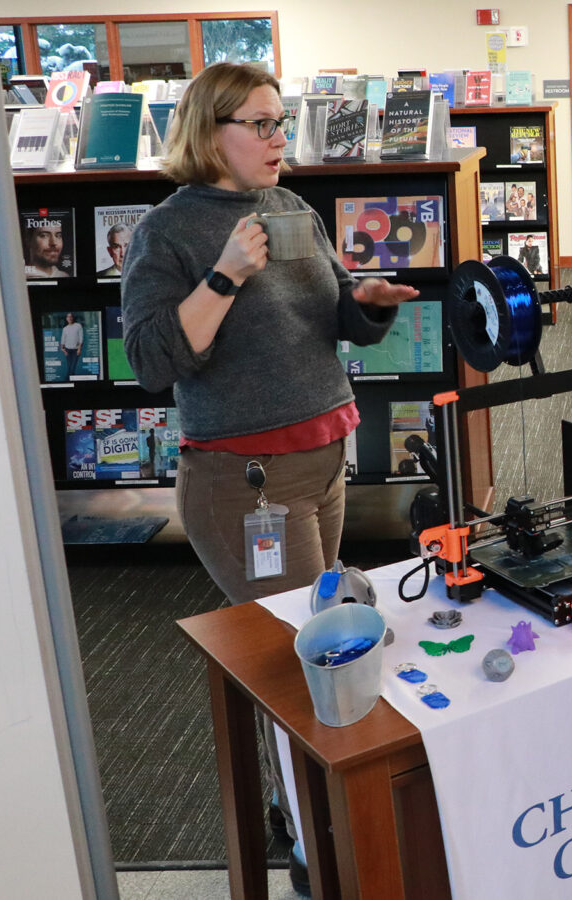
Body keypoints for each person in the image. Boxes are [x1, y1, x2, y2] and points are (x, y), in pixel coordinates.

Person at [121, 62, 416, 896]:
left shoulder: (292, 209)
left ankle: (316, 807)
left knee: (324, 630)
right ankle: (313, 837)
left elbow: (331, 324)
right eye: (260, 123)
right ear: (211, 133)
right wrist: (223, 277)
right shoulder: (171, 232)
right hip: (244, 482)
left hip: (322, 459)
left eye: (281, 121)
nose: (279, 137)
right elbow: (151, 362)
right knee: (306, 658)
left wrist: (371, 301)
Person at [59, 313, 85, 379]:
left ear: (73, 318)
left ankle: (67, 380)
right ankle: (72, 381)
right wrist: (63, 349)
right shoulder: (65, 328)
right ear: (66, 319)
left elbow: (81, 338)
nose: (69, 318)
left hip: (76, 350)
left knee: (72, 367)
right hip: (67, 350)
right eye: (68, 317)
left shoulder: (78, 326)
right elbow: (63, 339)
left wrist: (79, 349)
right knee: (70, 367)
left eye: (71, 316)